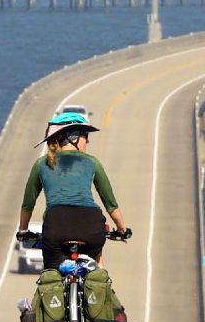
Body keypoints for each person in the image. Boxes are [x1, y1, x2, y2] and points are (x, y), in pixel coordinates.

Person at [18, 111, 130, 263]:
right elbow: (110, 204)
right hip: (90, 225)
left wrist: (23, 231)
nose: (88, 142)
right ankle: (100, 285)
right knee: (97, 259)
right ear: (73, 137)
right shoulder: (93, 162)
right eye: (86, 136)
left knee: (51, 273)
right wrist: (122, 230)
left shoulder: (40, 164)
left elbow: (28, 204)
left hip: (56, 226)